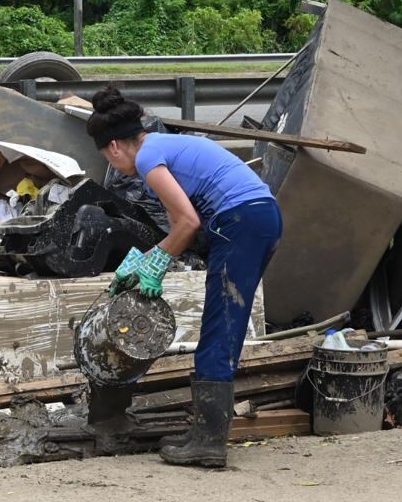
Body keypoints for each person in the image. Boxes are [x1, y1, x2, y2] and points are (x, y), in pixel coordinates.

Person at [88, 86, 282, 468]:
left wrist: (156, 263)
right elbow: (181, 225)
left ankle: (209, 441)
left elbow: (189, 224)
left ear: (113, 147)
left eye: (106, 158)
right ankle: (205, 434)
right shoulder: (161, 144)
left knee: (219, 326)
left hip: (240, 221)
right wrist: (144, 261)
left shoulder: (147, 159)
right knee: (224, 323)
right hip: (260, 216)